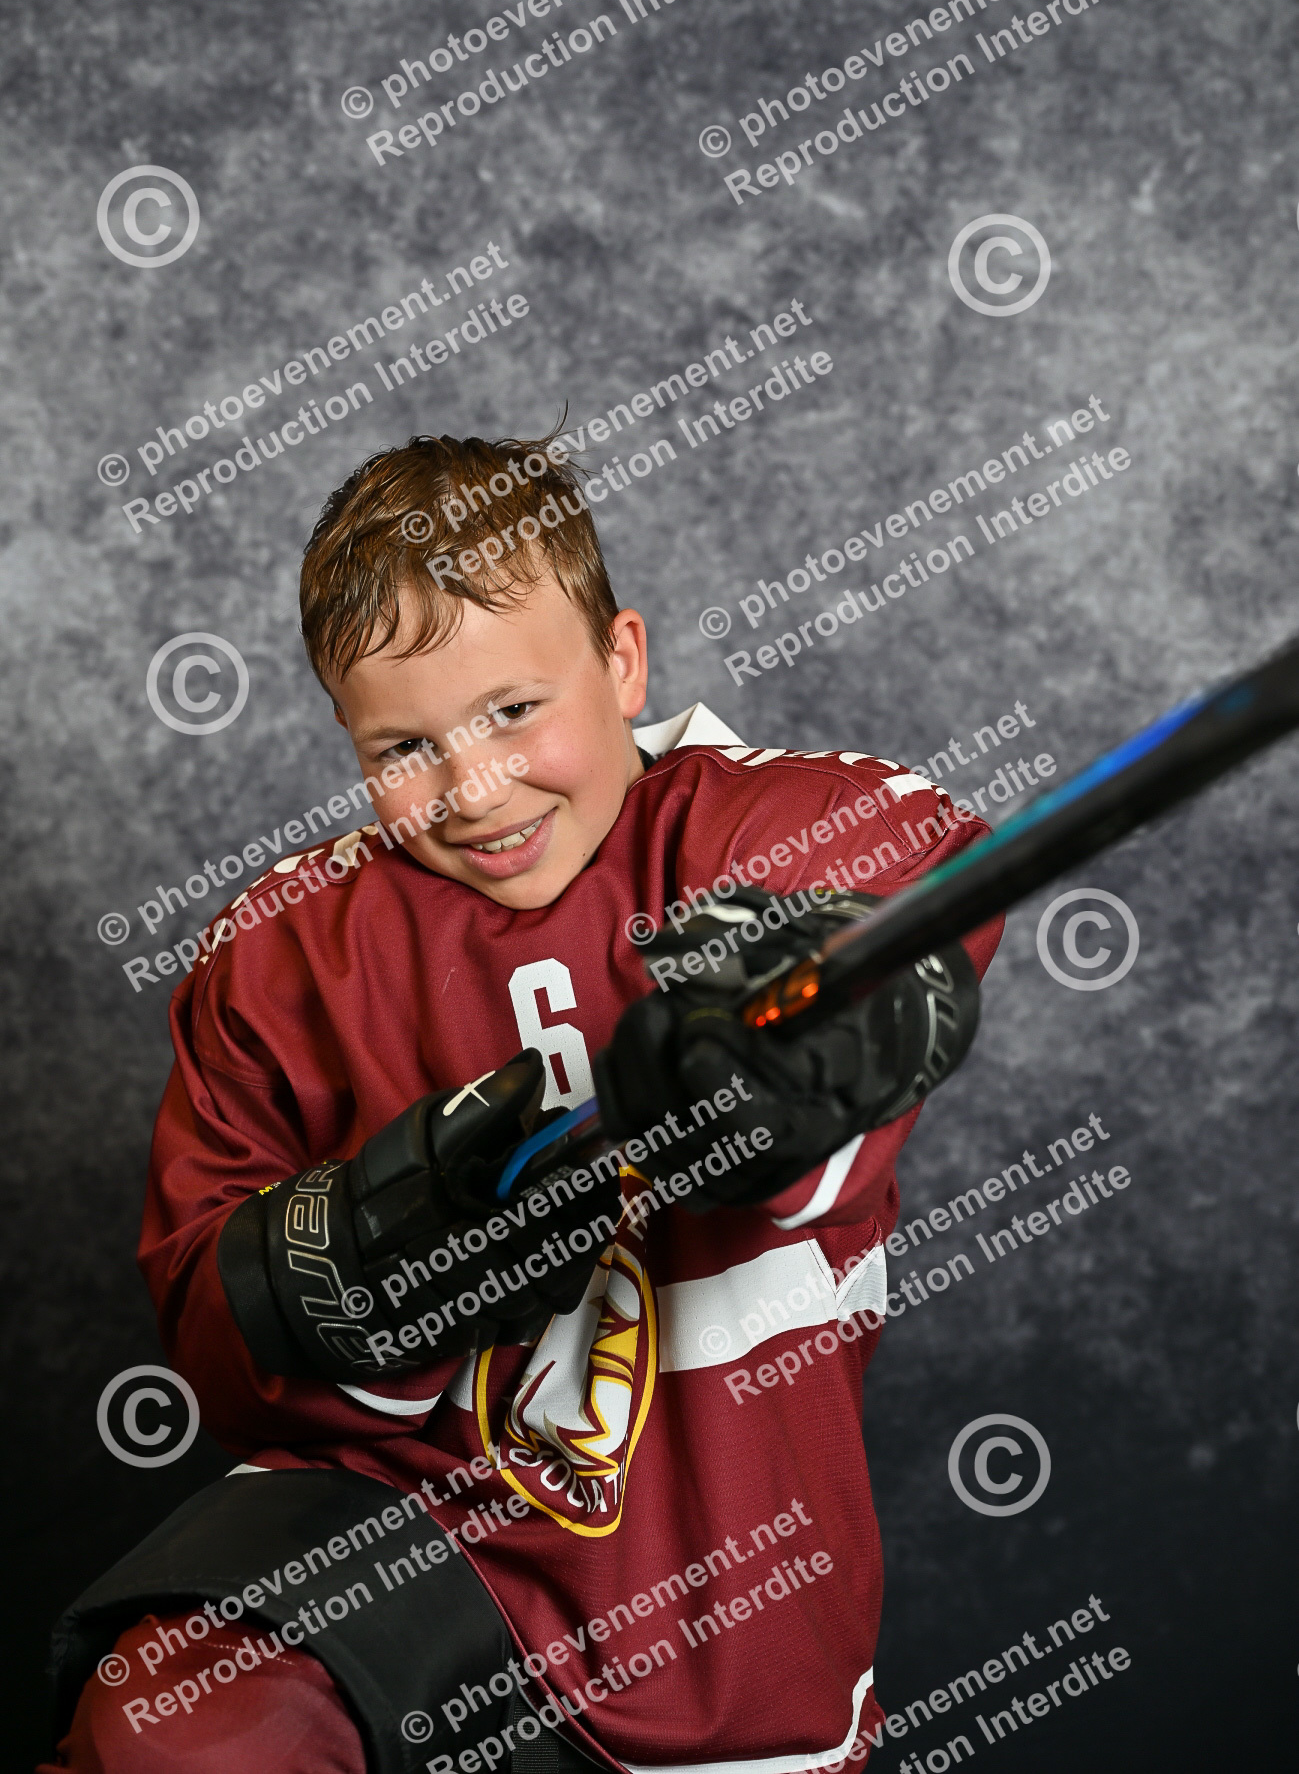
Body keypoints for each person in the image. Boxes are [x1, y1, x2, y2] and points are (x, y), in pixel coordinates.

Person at [45, 434, 1002, 1774]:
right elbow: (207, 1323)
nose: (474, 789)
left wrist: (799, 1025)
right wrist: (343, 1272)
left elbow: (907, 896)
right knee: (183, 1729)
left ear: (623, 660)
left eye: (511, 710)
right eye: (405, 746)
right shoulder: (277, 955)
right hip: (399, 1538)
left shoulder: (767, 832)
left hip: (719, 1612)